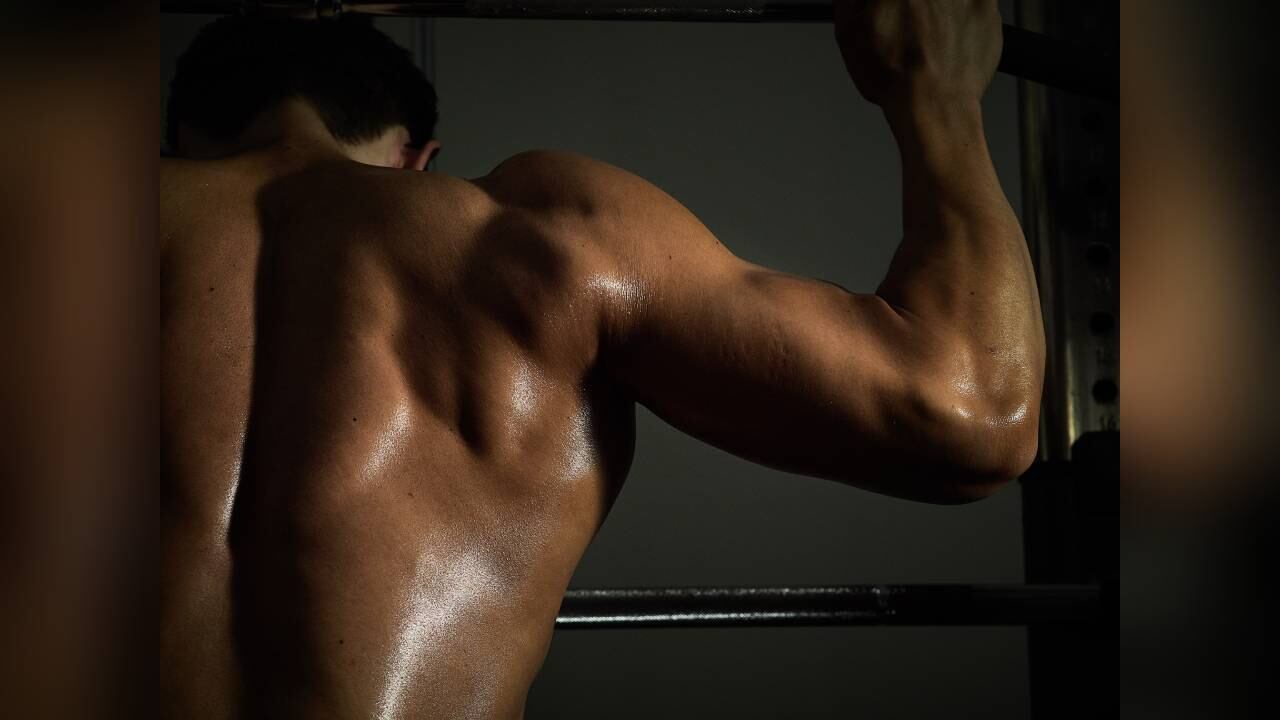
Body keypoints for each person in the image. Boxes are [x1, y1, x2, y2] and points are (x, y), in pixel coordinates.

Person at [160, 2, 1044, 717]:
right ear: (417, 161)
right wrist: (935, 97)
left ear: (176, 140)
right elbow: (971, 415)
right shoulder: (539, 243)